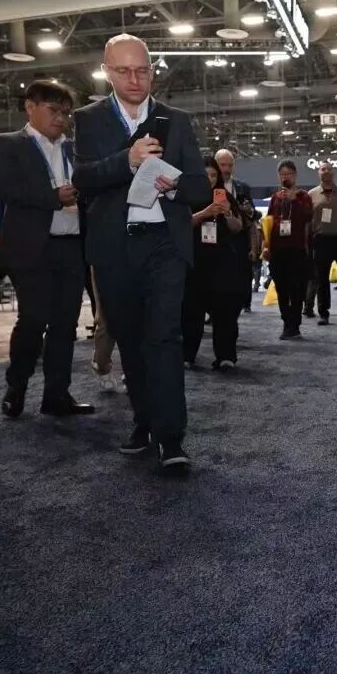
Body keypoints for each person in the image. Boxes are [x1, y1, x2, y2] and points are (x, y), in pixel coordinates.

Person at [72, 34, 211, 474]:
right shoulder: (88, 119)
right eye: (124, 71)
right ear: (106, 72)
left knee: (164, 338)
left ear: (152, 71)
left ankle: (171, 436)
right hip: (114, 248)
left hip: (165, 245)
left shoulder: (176, 120)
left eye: (142, 70)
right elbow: (83, 179)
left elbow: (201, 188)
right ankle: (144, 420)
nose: (134, 79)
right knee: (130, 340)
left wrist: (174, 185)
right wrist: (127, 160)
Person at [0, 80, 94, 419]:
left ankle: (56, 395)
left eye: (65, 112)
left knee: (65, 325)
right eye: (53, 110)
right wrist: (54, 197)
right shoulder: (7, 144)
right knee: (33, 320)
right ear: (30, 107)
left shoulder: (75, 150)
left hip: (71, 246)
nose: (60, 118)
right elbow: (7, 190)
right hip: (32, 247)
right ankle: (16, 385)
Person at [181, 157, 247, 368]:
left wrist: (227, 213)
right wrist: (205, 213)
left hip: (222, 262)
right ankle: (187, 355)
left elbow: (238, 227)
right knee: (191, 311)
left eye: (213, 175)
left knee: (225, 311)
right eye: (205, 175)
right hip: (195, 261)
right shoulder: (186, 196)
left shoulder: (226, 196)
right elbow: (181, 224)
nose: (209, 179)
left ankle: (226, 356)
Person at [263, 160, 313, 340]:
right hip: (278, 250)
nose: (286, 177)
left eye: (289, 174)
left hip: (297, 249)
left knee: (297, 288)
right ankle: (286, 322)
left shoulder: (303, 197)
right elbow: (268, 221)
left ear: (295, 176)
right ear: (279, 176)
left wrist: (295, 201)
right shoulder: (275, 198)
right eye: (283, 174)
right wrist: (265, 244)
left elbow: (309, 216)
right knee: (281, 288)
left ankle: (295, 324)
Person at [308, 160, 337, 325]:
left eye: (329, 168)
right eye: (323, 169)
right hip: (321, 240)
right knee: (322, 279)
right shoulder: (311, 195)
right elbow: (308, 220)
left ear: (333, 172)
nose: (326, 171)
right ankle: (323, 313)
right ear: (318, 173)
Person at [214, 148, 257, 313]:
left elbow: (252, 216)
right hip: (215, 237)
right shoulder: (207, 185)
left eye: (230, 165)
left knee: (241, 276)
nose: (226, 169)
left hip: (239, 238)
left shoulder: (242, 188)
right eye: (223, 165)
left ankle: (238, 307)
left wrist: (246, 210)